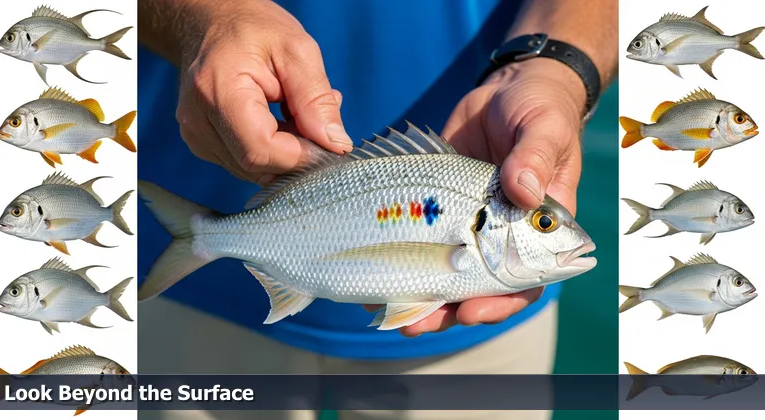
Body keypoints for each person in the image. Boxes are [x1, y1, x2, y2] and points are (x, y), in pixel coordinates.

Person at [136, 0, 617, 419]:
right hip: (201, 308)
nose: (558, 231)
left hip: (475, 352)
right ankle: (204, 240)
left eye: (544, 219)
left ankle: (210, 238)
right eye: (545, 221)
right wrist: (206, 18)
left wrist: (555, 66)